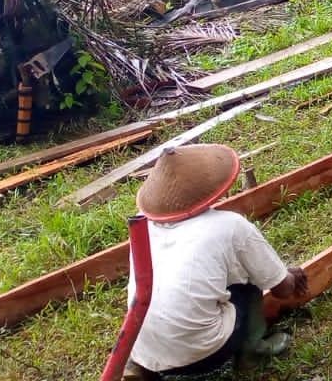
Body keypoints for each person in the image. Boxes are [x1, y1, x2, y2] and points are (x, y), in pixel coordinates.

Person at [124, 144, 310, 379]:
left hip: (143, 349)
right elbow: (282, 290)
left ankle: (140, 368)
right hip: (204, 354)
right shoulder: (231, 225)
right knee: (250, 278)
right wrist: (290, 276)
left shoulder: (143, 227)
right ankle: (253, 353)